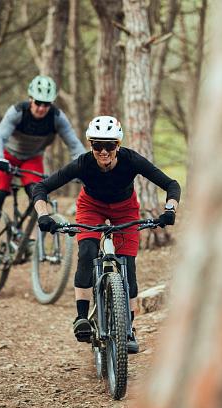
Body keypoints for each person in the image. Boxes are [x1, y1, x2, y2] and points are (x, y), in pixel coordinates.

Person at [32, 115, 180, 354]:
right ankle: (81, 318)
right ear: (91, 145)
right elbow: (41, 188)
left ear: (118, 146)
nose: (103, 151)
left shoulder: (131, 160)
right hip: (91, 206)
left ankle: (128, 329)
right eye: (97, 145)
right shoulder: (83, 163)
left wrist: (170, 210)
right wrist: (43, 215)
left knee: (128, 267)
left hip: (126, 209)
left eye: (109, 145)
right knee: (87, 252)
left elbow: (172, 184)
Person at [0, 75, 85, 265]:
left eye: (46, 104)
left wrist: (83, 167)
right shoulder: (17, 112)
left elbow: (74, 145)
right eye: (38, 102)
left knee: (38, 195)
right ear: (30, 99)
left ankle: (31, 241)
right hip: (6, 156)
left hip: (32, 159)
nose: (41, 108)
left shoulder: (57, 118)